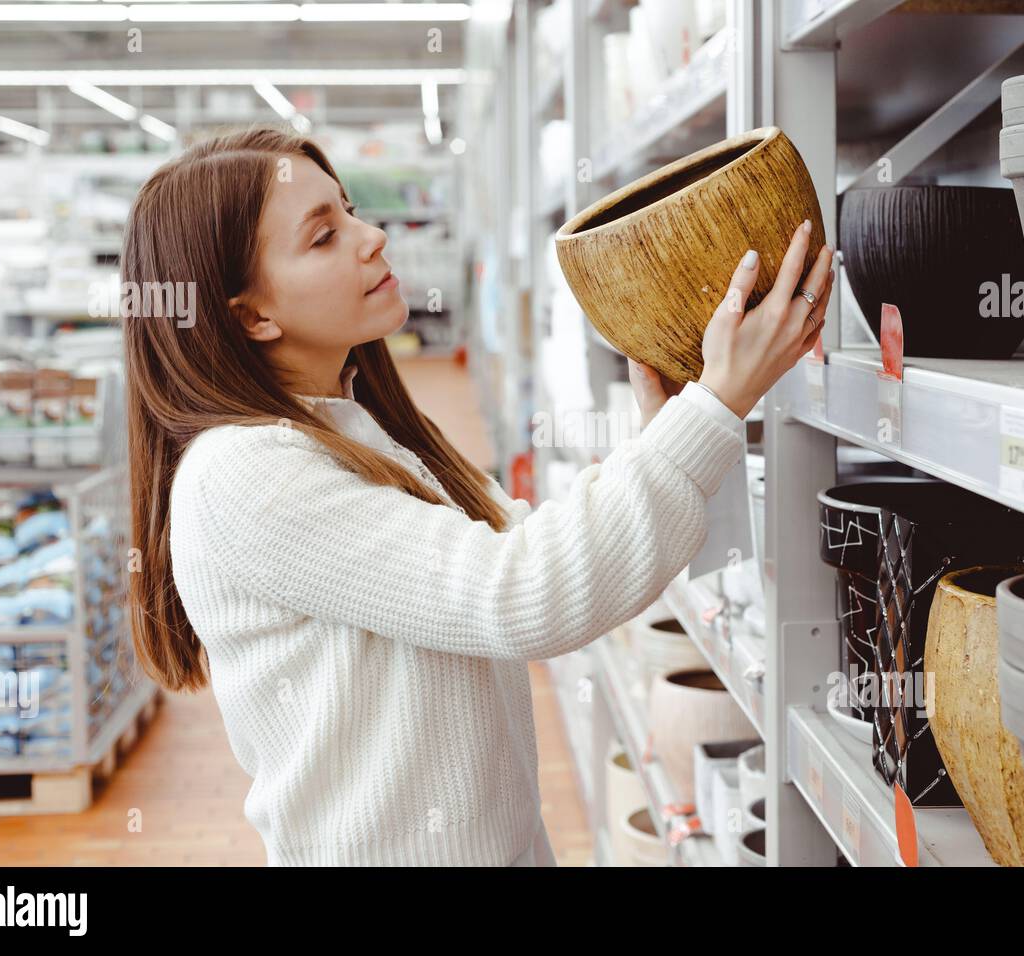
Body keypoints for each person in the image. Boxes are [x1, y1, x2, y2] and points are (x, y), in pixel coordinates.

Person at [122, 127, 834, 867]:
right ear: (249, 316)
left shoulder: (359, 425)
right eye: (325, 237)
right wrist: (714, 406)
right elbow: (521, 593)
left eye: (352, 211)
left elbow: (523, 544)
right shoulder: (245, 473)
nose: (372, 238)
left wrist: (676, 427)